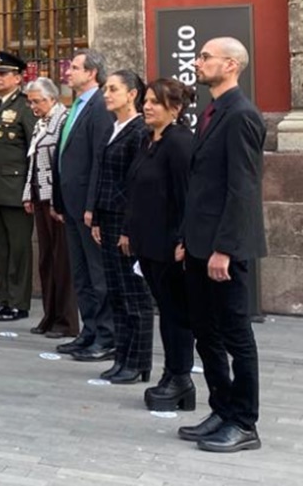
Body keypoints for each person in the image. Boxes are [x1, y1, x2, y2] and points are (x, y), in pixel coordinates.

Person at [176, 37, 266, 453]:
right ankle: (222, 407)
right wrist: (185, 237)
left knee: (235, 334)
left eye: (206, 57)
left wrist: (225, 249)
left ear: (230, 65)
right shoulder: (209, 112)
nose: (198, 61)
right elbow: (201, 185)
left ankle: (244, 421)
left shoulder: (241, 115)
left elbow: (242, 189)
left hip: (223, 249)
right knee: (205, 331)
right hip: (198, 244)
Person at [129, 78, 196, 411]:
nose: (147, 106)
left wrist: (184, 240)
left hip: (170, 245)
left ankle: (181, 377)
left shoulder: (181, 144)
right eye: (146, 100)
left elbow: (188, 196)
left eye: (155, 102)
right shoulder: (148, 140)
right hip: (148, 243)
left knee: (175, 314)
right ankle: (171, 374)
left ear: (176, 108)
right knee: (165, 311)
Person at [87, 70, 152, 381]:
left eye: (113, 89)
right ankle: (122, 357)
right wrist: (97, 217)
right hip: (108, 218)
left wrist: (129, 228)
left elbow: (136, 184)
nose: (106, 95)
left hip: (127, 222)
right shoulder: (112, 129)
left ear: (132, 94)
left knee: (134, 294)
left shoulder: (140, 131)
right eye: (105, 89)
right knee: (116, 292)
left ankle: (139, 363)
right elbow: (103, 176)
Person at [51, 48, 116, 361]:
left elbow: (98, 161)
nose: (68, 72)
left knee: (97, 273)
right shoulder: (74, 105)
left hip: (88, 206)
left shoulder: (100, 108)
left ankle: (106, 336)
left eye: (74, 67)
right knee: (81, 274)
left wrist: (94, 205)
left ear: (92, 73)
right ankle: (88, 331)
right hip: (71, 204)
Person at [0, 51, 36, 322]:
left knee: (19, 249)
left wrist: (30, 189)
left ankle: (19, 302)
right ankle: (3, 299)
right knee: (1, 249)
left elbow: (32, 150)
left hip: (16, 189)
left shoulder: (25, 107)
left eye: (4, 74)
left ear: (18, 77)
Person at [21, 76, 78, 339]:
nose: (33, 106)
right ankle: (49, 314)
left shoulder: (63, 121)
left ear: (52, 98)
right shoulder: (40, 123)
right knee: (46, 259)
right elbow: (33, 161)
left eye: (38, 101)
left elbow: (62, 164)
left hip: (55, 200)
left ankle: (66, 320)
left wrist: (58, 200)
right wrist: (27, 194)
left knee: (62, 260)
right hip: (39, 197)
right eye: (31, 101)